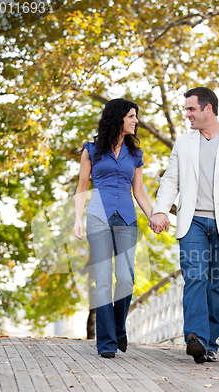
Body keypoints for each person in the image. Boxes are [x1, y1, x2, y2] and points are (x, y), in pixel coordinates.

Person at [149, 87, 219, 364]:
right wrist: (160, 211)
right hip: (192, 222)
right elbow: (170, 180)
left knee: (217, 285)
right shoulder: (184, 143)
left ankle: (210, 344)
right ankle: (195, 337)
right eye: (186, 110)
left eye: (191, 109)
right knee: (195, 277)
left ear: (208, 109)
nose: (187, 115)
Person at [74, 99, 152, 358]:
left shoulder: (135, 154)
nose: (136, 121)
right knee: (104, 280)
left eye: (136, 117)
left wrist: (153, 216)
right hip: (98, 217)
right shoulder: (92, 150)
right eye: (132, 116)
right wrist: (77, 219)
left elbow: (138, 191)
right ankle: (106, 342)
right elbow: (82, 186)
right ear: (118, 117)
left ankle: (118, 327)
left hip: (127, 219)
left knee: (127, 279)